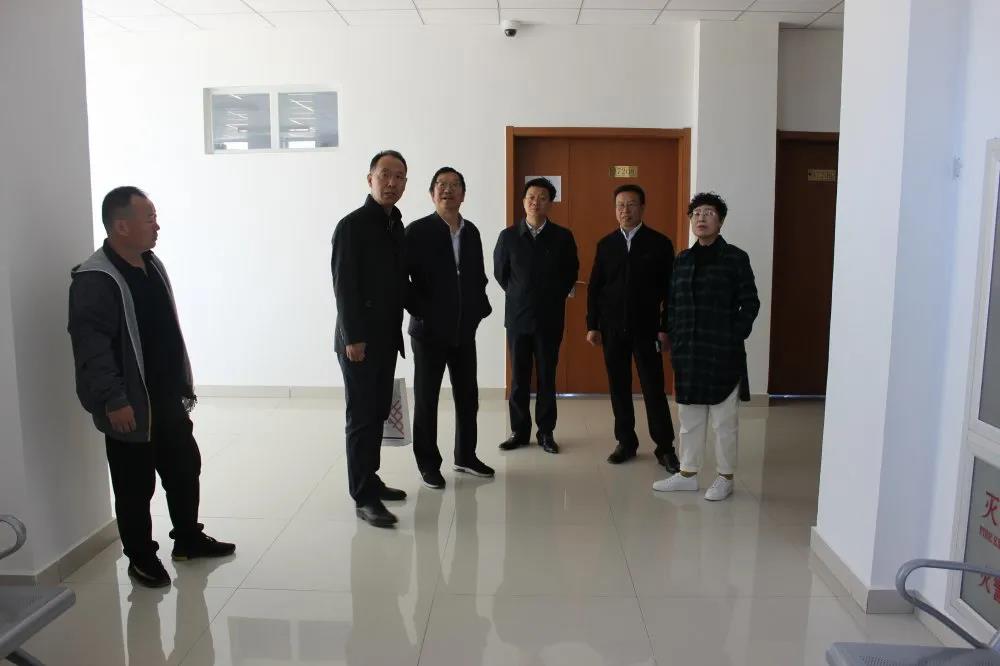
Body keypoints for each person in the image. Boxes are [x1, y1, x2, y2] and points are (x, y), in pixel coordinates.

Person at [68, 186, 235, 589]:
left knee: (184, 469)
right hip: (128, 403)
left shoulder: (150, 263)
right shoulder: (95, 279)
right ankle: (141, 557)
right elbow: (92, 348)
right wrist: (113, 399)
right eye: (150, 219)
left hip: (165, 396)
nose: (157, 226)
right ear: (121, 226)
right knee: (134, 485)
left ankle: (188, 539)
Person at [653, 192, 760, 501]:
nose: (701, 218)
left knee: (724, 421)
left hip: (723, 352)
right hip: (688, 351)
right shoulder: (682, 260)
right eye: (696, 213)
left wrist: (733, 335)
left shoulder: (735, 258)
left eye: (709, 213)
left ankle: (725, 477)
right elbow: (673, 303)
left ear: (720, 221)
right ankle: (687, 473)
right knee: (689, 418)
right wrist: (671, 333)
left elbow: (750, 303)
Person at [331, 150, 410, 528]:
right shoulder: (352, 225)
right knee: (362, 417)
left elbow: (398, 283)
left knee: (377, 411)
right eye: (385, 175)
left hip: (386, 337)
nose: (392, 183)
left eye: (399, 177)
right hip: (359, 342)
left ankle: (371, 477)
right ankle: (363, 496)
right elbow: (344, 286)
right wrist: (354, 337)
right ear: (370, 179)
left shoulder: (395, 224)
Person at [404, 167, 494, 489]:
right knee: (427, 399)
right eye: (441, 185)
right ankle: (428, 464)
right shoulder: (417, 231)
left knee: (468, 396)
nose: (448, 190)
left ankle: (465, 455)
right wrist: (421, 310)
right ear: (432, 193)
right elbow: (401, 279)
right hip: (428, 332)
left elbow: (478, 276)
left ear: (463, 194)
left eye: (455, 185)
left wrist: (477, 311)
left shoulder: (472, 232)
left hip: (463, 331)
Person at [586, 184, 680, 472]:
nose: (625, 210)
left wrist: (665, 327)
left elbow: (671, 291)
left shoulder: (659, 243)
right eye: (620, 205)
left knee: (653, 388)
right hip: (612, 329)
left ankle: (665, 447)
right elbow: (595, 288)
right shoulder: (606, 244)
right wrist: (593, 325)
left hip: (647, 328)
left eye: (631, 204)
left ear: (642, 207)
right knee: (619, 387)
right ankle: (625, 442)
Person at [493, 177, 579, 454]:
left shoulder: (563, 237)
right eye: (531, 197)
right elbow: (501, 274)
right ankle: (519, 432)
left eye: (542, 198)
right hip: (517, 318)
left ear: (550, 203)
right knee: (519, 378)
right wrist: (520, 294)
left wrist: (550, 297)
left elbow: (570, 273)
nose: (535, 202)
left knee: (546, 376)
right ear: (523, 201)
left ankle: (546, 432)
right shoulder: (508, 237)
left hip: (549, 319)